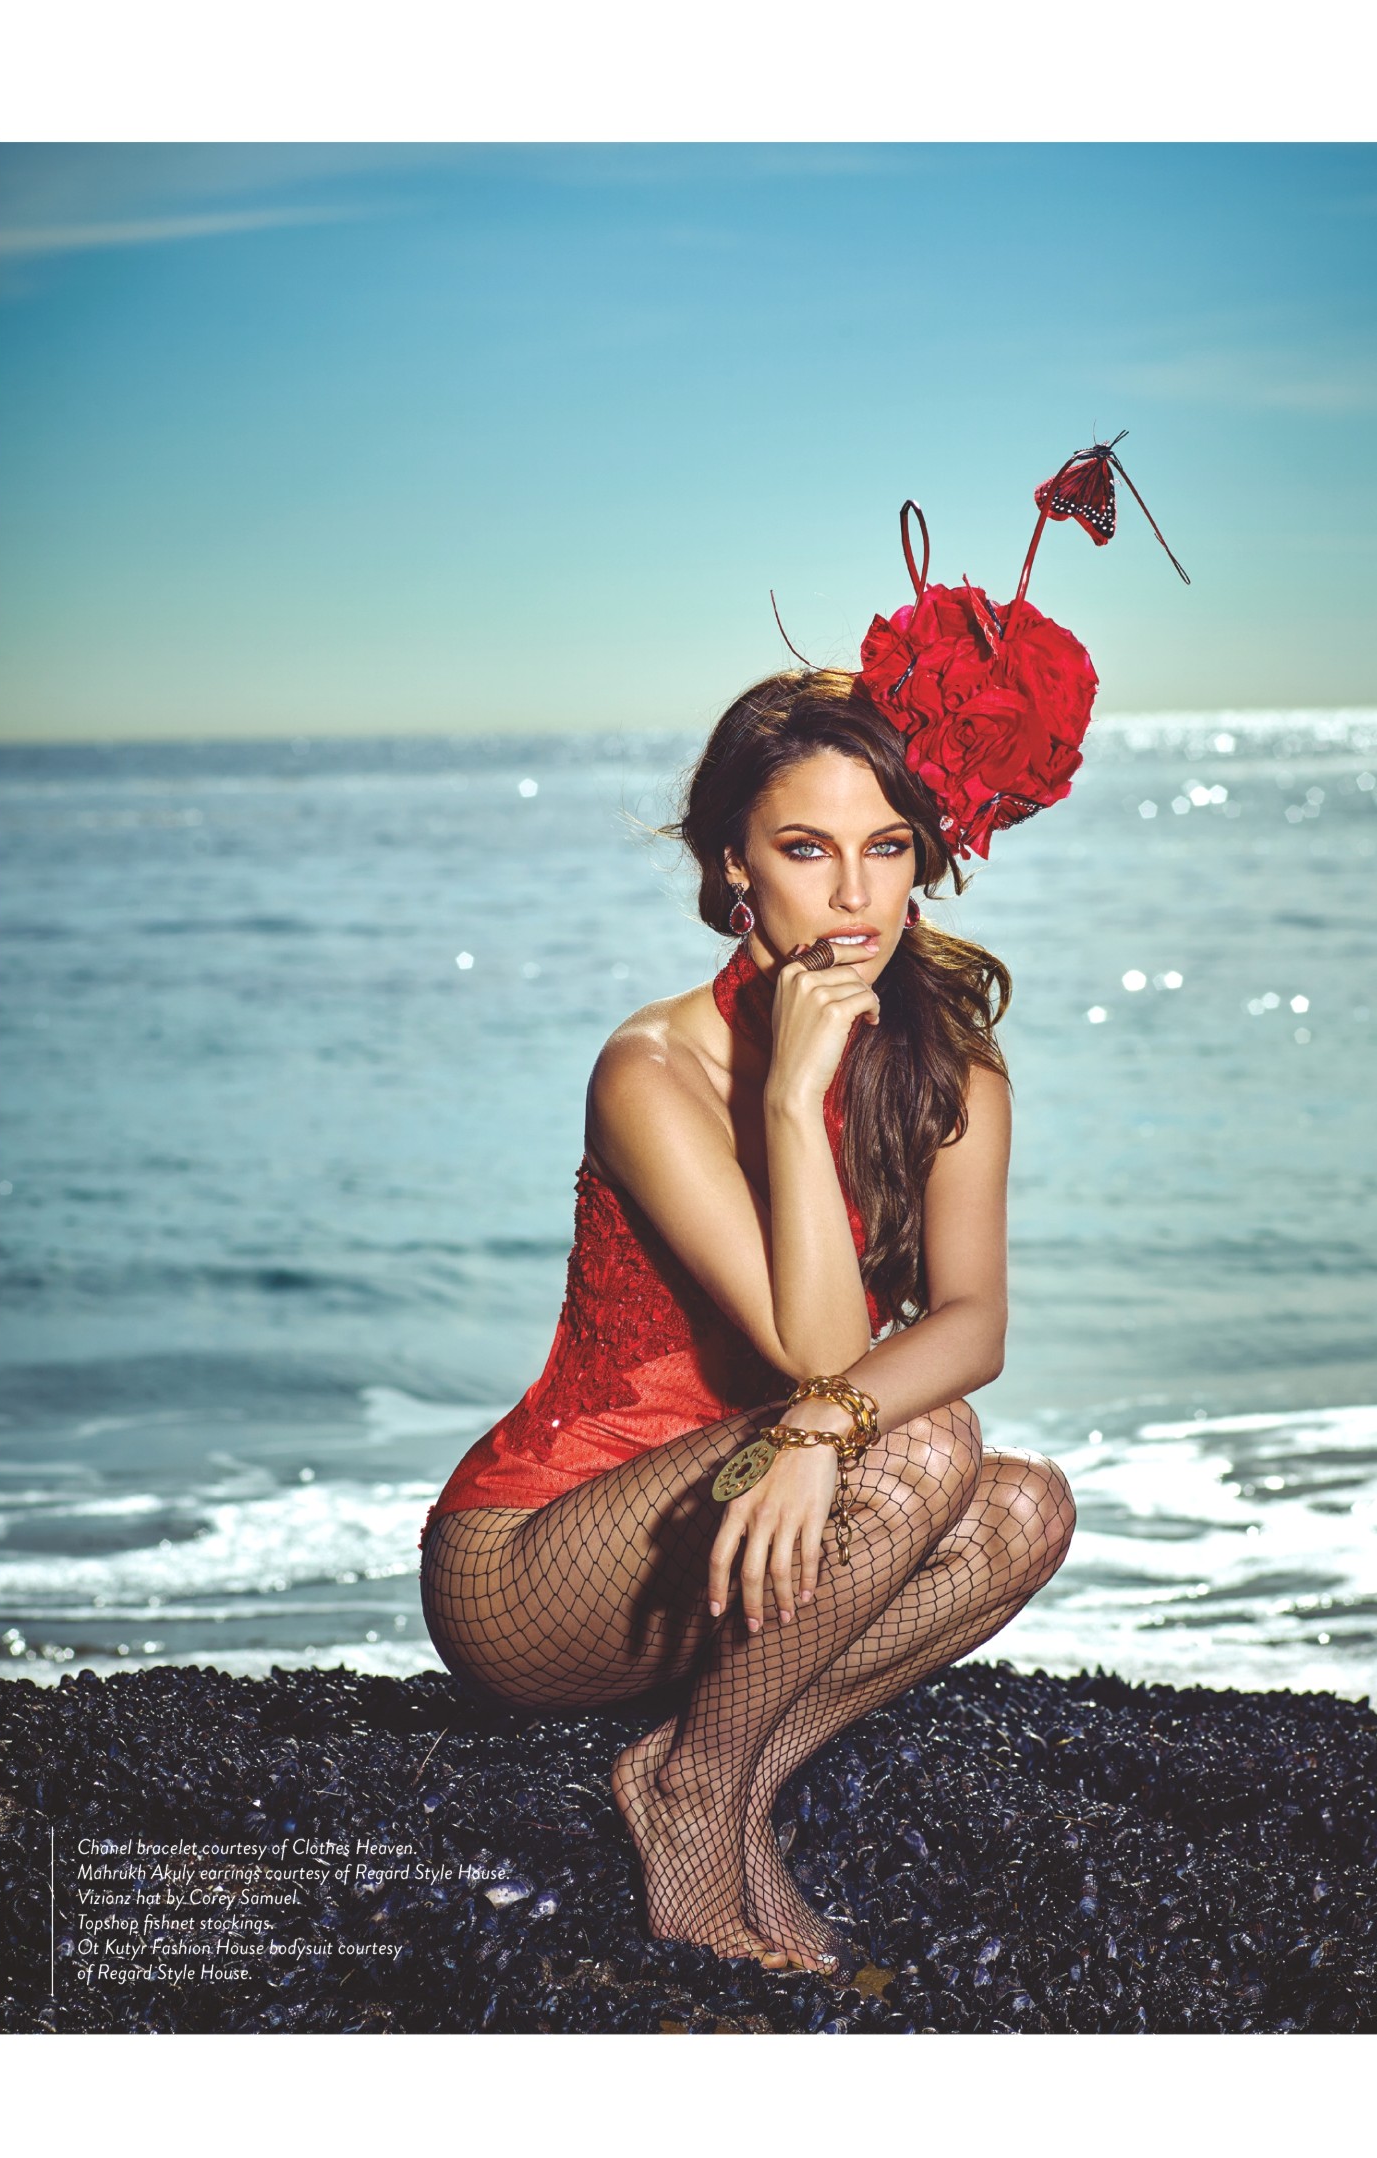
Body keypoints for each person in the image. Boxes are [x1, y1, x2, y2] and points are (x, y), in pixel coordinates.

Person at [421, 480, 1106, 1980]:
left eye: (887, 847)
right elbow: (817, 1349)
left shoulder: (954, 1068)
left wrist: (809, 1434)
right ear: (734, 863)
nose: (854, 896)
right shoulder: (653, 1068)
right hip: (540, 1560)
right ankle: (696, 1798)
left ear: (926, 854)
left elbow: (974, 1323)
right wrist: (793, 1096)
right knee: (924, 1446)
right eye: (807, 849)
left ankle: (712, 1769)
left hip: (763, 1520)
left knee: (1025, 1509)